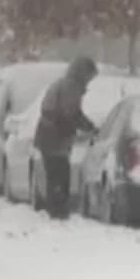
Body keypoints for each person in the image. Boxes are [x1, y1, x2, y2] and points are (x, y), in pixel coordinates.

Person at [34, 57, 99, 220]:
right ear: (83, 73)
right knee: (60, 173)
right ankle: (58, 210)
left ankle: (55, 208)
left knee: (55, 173)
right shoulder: (71, 87)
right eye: (90, 76)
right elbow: (71, 113)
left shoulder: (65, 84)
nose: (90, 81)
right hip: (55, 137)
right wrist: (89, 127)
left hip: (48, 135)